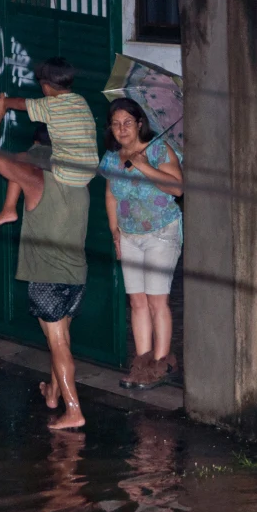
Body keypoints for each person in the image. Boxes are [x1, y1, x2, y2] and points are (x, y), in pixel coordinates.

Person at [0, 58, 99, 429]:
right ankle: (53, 394)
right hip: (76, 274)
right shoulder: (80, 183)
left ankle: (74, 410)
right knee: (59, 338)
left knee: (58, 343)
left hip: (47, 275)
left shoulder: (36, 182)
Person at [99, 97, 184, 390]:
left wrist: (144, 165)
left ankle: (161, 363)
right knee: (137, 301)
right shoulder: (112, 157)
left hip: (161, 232)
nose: (122, 129)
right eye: (116, 124)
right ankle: (142, 361)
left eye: (127, 122)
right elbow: (111, 195)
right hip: (129, 235)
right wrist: (114, 231)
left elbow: (177, 188)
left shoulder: (159, 149)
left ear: (139, 123)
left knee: (157, 300)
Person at [0, 125, 52, 228]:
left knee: (20, 159)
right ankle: (9, 209)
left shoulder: (36, 152)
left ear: (36, 142)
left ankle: (9, 207)